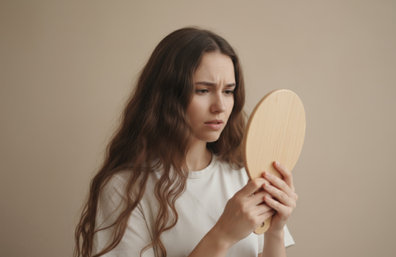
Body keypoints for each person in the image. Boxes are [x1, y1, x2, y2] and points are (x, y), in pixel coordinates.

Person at [74, 27, 298, 257]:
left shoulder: (243, 174)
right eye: (203, 90)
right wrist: (222, 235)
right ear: (167, 96)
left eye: (229, 91)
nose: (220, 106)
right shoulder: (125, 189)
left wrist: (276, 230)